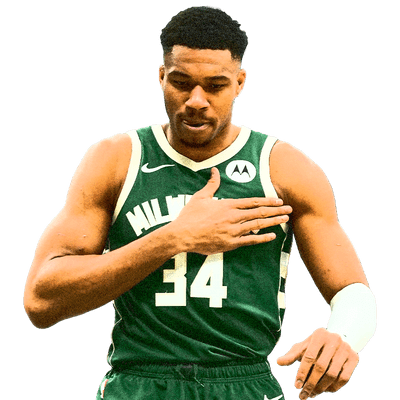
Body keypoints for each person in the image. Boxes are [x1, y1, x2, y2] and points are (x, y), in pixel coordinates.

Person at [23, 5, 377, 400]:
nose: (196, 100)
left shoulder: (284, 168)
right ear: (161, 77)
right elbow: (41, 300)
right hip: (140, 381)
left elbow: (351, 289)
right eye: (181, 82)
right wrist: (173, 238)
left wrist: (343, 335)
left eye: (215, 85)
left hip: (242, 380)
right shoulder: (115, 160)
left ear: (239, 83)